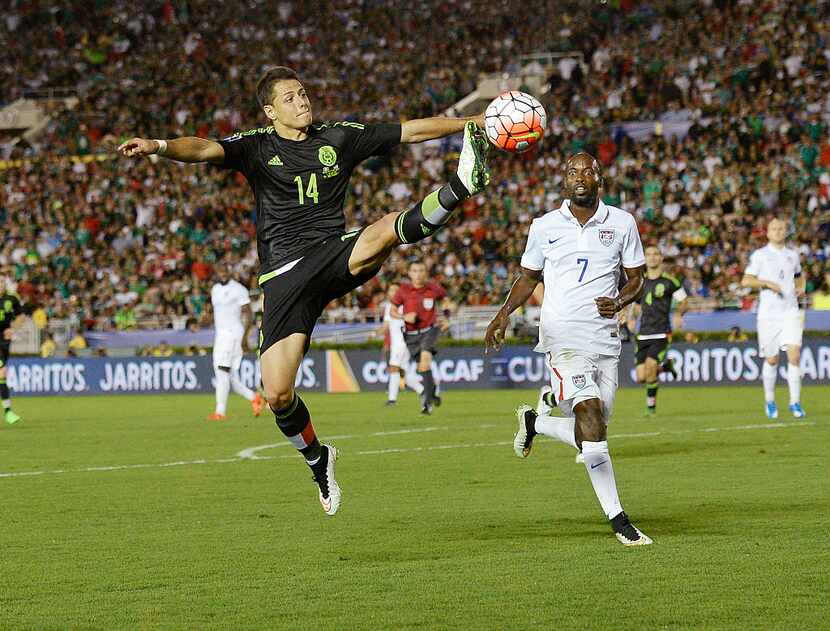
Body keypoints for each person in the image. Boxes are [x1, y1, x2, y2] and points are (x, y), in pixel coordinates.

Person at [119, 65, 490, 515]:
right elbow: (201, 148)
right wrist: (158, 146)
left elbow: (409, 131)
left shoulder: (339, 137)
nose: (303, 102)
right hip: (283, 279)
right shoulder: (256, 146)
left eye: (304, 93)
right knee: (276, 393)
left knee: (378, 236)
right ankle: (318, 459)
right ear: (271, 110)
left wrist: (472, 123)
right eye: (291, 98)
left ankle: (459, 185)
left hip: (331, 253)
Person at [485, 152, 652, 546]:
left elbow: (637, 278)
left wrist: (623, 300)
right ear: (564, 181)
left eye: (587, 171)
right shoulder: (544, 226)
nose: (579, 177)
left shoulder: (622, 223)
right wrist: (503, 313)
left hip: (605, 340)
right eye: (572, 172)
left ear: (600, 179)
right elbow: (528, 278)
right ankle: (619, 519)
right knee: (591, 421)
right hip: (561, 337)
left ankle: (535, 423)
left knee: (592, 431)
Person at [740, 218, 806, 419]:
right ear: (767, 233)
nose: (778, 231)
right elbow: (746, 281)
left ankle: (795, 402)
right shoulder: (760, 255)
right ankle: (770, 400)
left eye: (781, 228)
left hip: (791, 311)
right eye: (774, 229)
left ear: (786, 231)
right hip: (768, 315)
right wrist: (767, 283)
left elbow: (799, 275)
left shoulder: (792, 255)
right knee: (772, 358)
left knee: (794, 355)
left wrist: (801, 287)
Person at [627, 246, 688, 415]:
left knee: (651, 366)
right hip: (643, 333)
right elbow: (638, 306)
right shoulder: (640, 282)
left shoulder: (671, 281)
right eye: (648, 254)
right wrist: (632, 319)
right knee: (641, 377)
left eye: (656, 254)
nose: (652, 257)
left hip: (662, 332)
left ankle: (650, 409)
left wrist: (678, 313)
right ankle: (667, 367)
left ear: (661, 258)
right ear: (644, 259)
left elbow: (684, 301)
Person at [207, 267, 265, 420]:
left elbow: (249, 313)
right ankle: (254, 397)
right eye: (220, 271)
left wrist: (245, 338)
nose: (223, 274)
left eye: (225, 271)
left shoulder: (238, 289)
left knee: (223, 371)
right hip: (220, 335)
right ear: (217, 273)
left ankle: (220, 412)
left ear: (230, 273)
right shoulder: (215, 289)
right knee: (224, 374)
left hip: (233, 335)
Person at [393, 261, 447, 414]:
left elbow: (447, 301)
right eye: (415, 271)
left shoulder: (433, 288)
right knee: (422, 367)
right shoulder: (403, 291)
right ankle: (433, 390)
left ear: (426, 272)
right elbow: (392, 311)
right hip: (410, 336)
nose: (418, 274)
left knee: (424, 362)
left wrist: (447, 317)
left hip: (430, 330)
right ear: (409, 273)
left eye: (421, 270)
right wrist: (404, 316)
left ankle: (427, 403)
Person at [380, 283, 423, 406]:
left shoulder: (404, 305)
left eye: (394, 290)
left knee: (394, 367)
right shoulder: (389, 306)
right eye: (390, 290)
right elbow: (386, 326)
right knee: (403, 372)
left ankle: (392, 399)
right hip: (395, 344)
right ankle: (424, 391)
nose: (391, 292)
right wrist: (374, 333)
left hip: (402, 343)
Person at [0, 272, 25, 425]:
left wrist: (13, 328)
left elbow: (21, 316)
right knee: (2, 371)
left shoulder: (12, 298)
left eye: (2, 282)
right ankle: (8, 412)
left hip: (4, 341)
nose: (0, 285)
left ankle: (8, 411)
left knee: (1, 375)